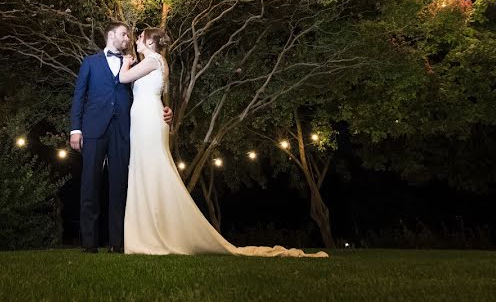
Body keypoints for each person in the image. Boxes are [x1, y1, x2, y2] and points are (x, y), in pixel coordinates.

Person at [119, 27, 328, 258]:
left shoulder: (153, 60)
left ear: (149, 41)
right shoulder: (154, 61)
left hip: (148, 119)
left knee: (153, 170)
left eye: (140, 37)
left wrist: (126, 63)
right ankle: (152, 230)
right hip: (144, 118)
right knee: (147, 171)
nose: (136, 40)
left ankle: (156, 233)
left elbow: (123, 78)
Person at [69, 22, 172, 253]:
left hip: (124, 130)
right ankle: (89, 243)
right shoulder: (90, 63)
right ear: (111, 34)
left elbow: (151, 89)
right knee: (89, 184)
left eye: (130, 35)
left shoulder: (137, 63)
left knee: (120, 185)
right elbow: (79, 97)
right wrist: (75, 129)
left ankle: (118, 242)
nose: (128, 38)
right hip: (94, 129)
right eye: (124, 34)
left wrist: (166, 108)